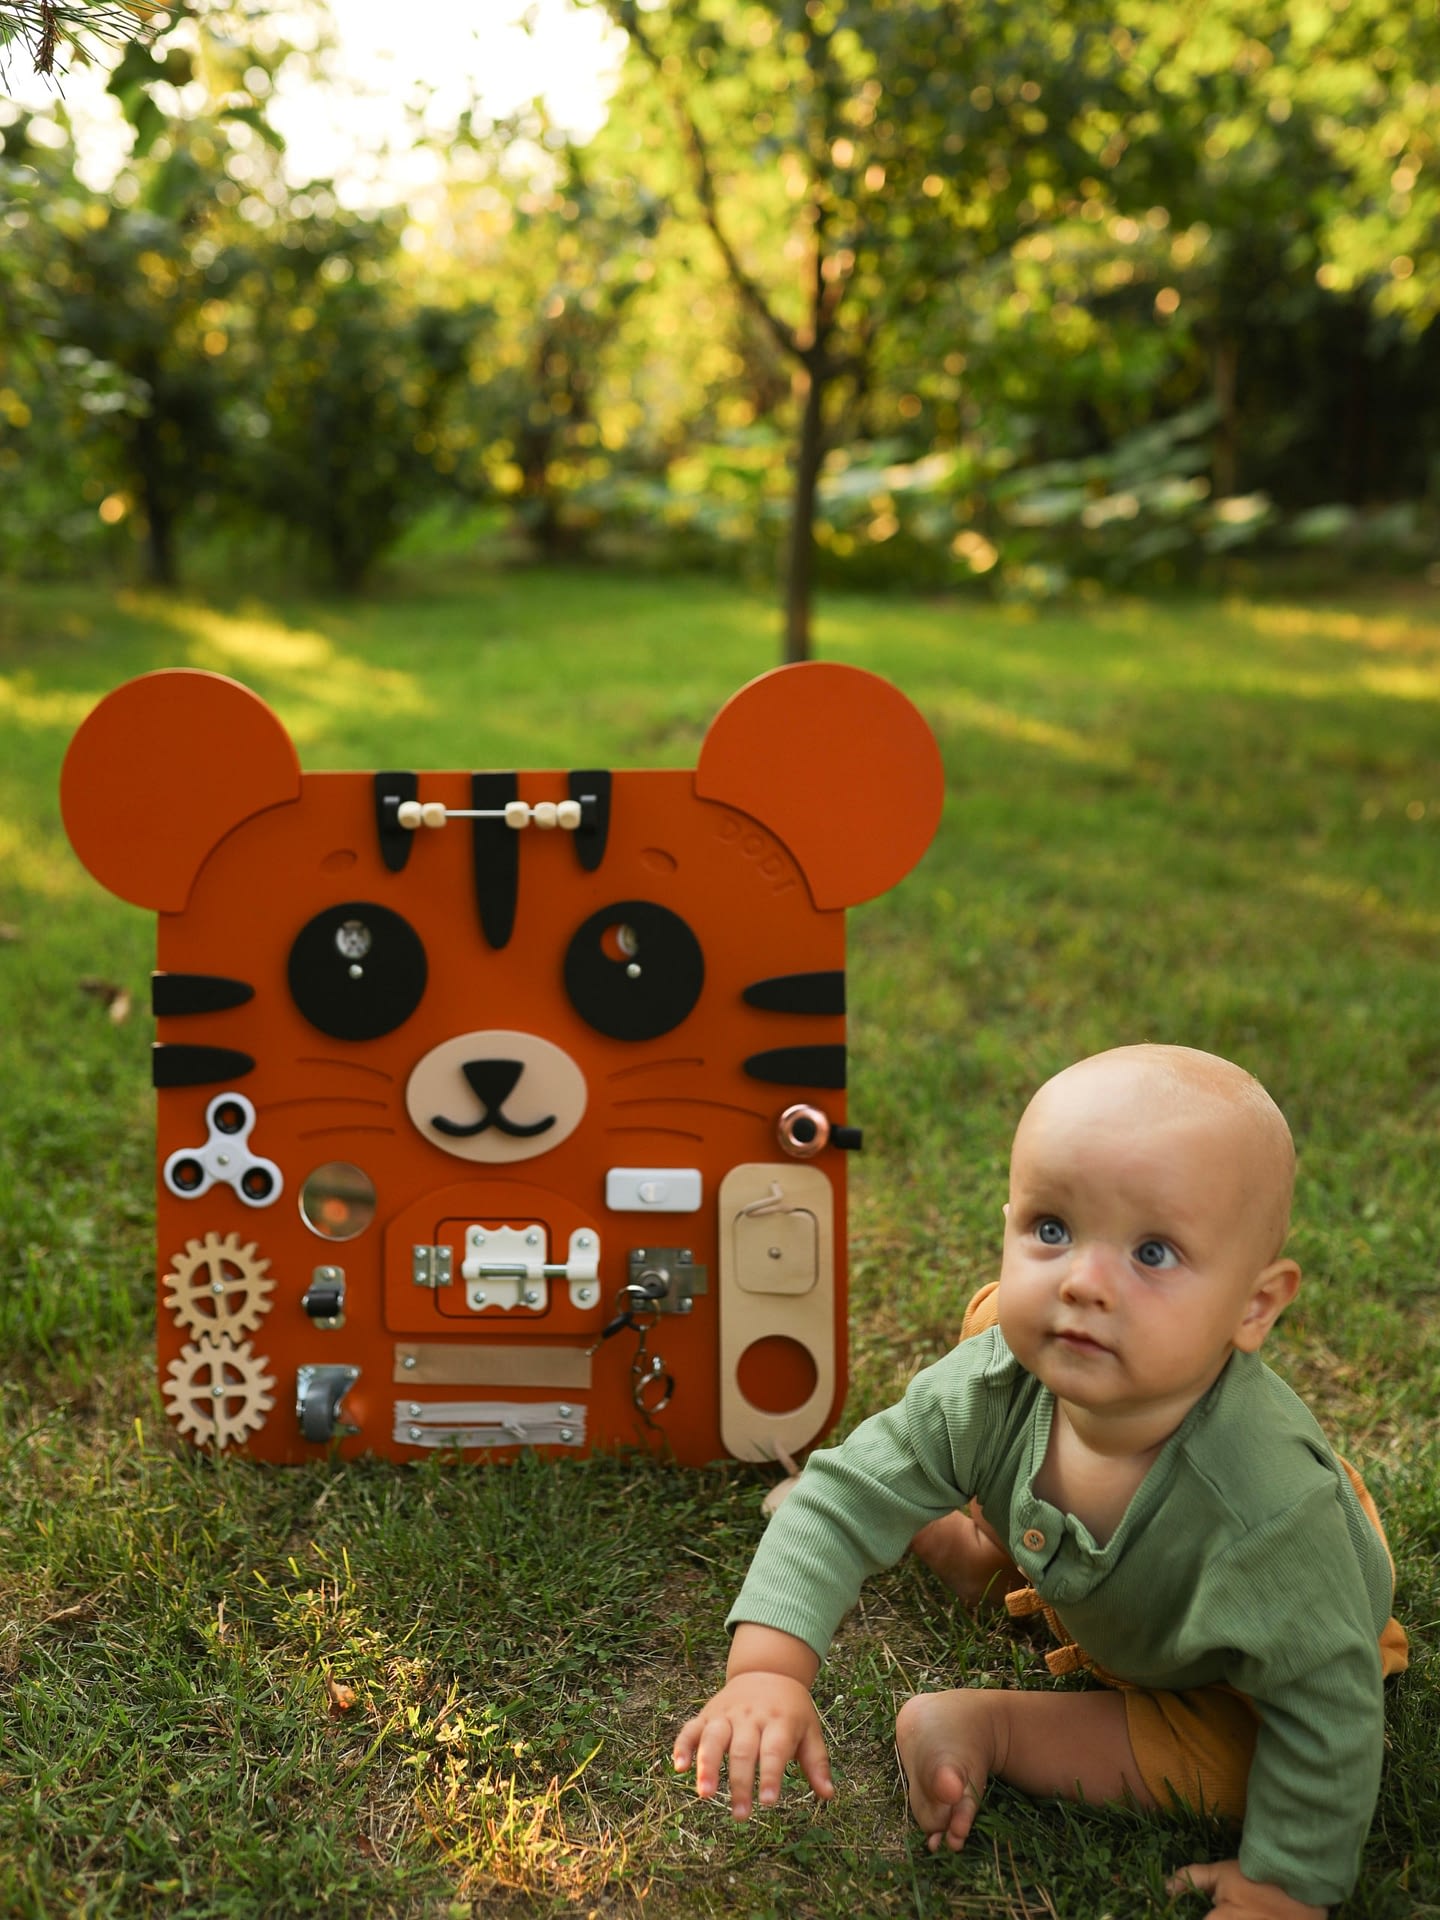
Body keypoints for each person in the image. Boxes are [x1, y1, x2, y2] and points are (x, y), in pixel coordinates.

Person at [673, 1045, 1407, 1919]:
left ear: (1254, 1306)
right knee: (950, 1426)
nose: (1083, 1282)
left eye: (1154, 1252)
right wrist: (768, 1670)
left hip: (1223, 1663)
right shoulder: (996, 1382)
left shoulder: (1272, 1518)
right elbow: (836, 1498)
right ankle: (962, 1538)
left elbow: (1328, 1708)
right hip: (1089, 1577)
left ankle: (988, 1722)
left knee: (1257, 1764)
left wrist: (1286, 1887)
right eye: (1052, 1230)